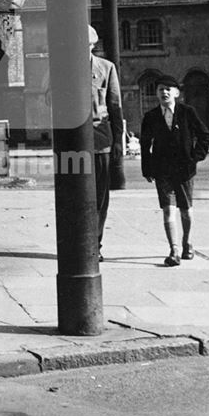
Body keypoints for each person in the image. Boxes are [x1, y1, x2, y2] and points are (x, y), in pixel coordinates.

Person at [140, 74, 209, 266]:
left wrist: (195, 157)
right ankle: (174, 250)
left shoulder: (188, 112)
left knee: (186, 210)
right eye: (160, 89)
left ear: (177, 93)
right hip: (162, 170)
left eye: (168, 89)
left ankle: (187, 242)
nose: (164, 92)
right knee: (167, 210)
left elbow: (204, 135)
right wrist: (147, 169)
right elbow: (145, 144)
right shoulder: (151, 117)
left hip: (185, 170)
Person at [88, 25, 124, 261]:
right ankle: (78, 241)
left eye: (86, 45)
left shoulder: (106, 68)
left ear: (93, 46)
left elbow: (115, 106)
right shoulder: (61, 69)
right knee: (75, 196)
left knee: (100, 196)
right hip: (72, 145)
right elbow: (50, 100)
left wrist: (119, 142)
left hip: (100, 142)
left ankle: (95, 245)